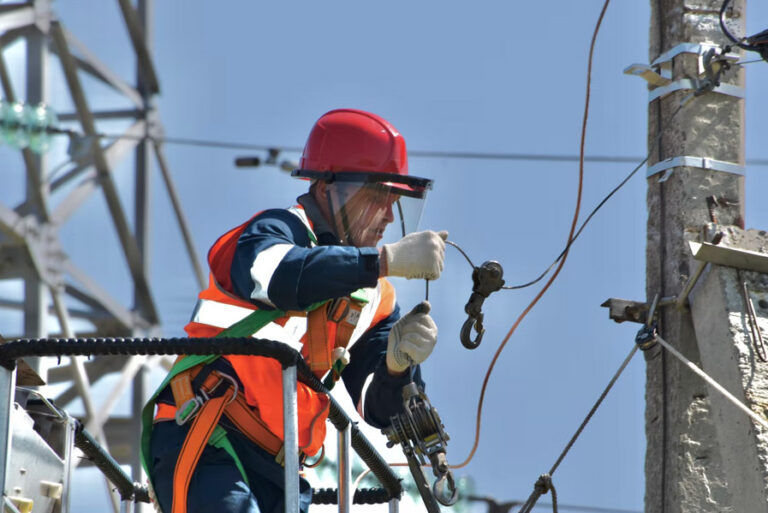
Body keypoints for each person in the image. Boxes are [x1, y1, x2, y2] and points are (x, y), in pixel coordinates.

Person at [143, 108, 447, 513]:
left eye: (396, 200)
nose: (390, 215)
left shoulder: (375, 300)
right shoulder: (275, 232)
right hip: (210, 430)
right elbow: (279, 278)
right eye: (378, 196)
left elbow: (379, 409)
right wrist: (381, 262)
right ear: (329, 190)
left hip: (281, 470)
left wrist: (397, 366)